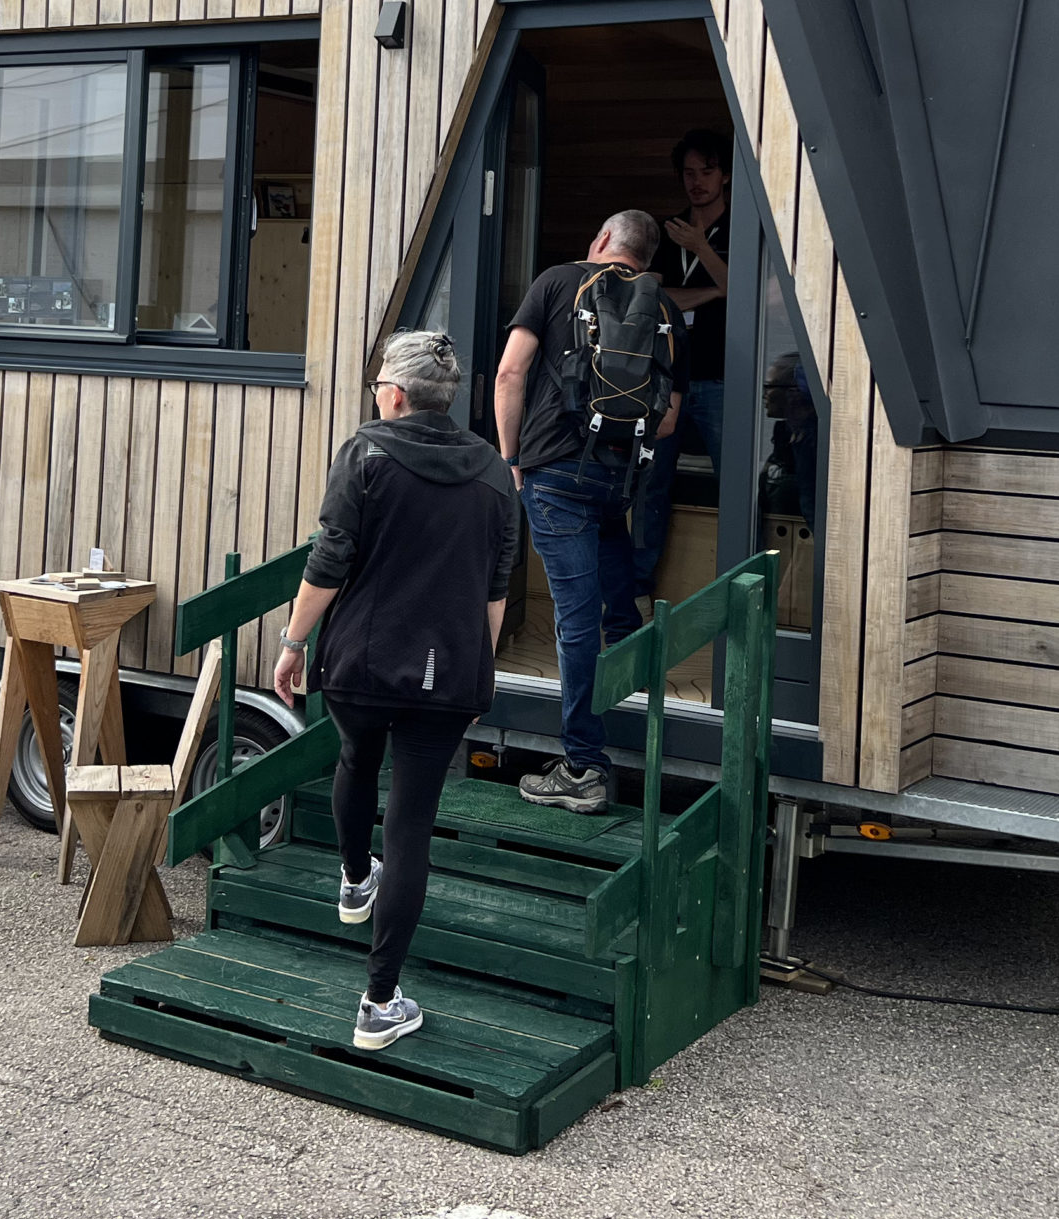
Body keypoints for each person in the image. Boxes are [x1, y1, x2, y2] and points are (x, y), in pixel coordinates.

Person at [271, 331, 516, 1054]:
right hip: (447, 675)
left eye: (380, 382)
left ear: (398, 394)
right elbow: (495, 592)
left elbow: (329, 560)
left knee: (355, 759)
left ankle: (353, 881)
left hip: (360, 666)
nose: (377, 392)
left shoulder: (367, 453)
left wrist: (292, 643)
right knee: (409, 830)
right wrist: (481, 665)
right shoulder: (495, 475)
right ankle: (379, 1003)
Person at [492, 210, 687, 815]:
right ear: (646, 258)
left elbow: (509, 372)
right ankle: (634, 692)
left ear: (601, 240)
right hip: (618, 479)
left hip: (554, 473)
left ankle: (584, 766)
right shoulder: (666, 310)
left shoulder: (557, 281)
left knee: (575, 621)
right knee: (617, 596)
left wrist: (511, 458)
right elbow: (671, 415)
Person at [630, 130, 731, 597]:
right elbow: (651, 291)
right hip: (665, 377)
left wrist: (703, 251)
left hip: (722, 377)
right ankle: (638, 588)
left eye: (706, 172)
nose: (696, 182)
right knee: (650, 482)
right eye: (689, 173)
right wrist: (714, 291)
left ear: (725, 175)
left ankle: (739, 588)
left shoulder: (738, 227)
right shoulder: (667, 230)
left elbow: (747, 291)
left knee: (737, 480)